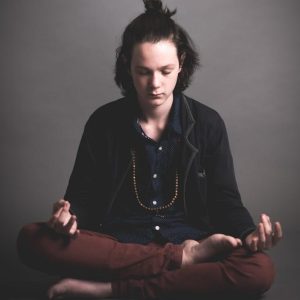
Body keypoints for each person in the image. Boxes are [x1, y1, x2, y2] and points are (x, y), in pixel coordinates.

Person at [17, 0, 283, 299]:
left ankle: (112, 290)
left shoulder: (208, 123)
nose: (155, 84)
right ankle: (181, 263)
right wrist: (67, 218)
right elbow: (82, 199)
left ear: (181, 63)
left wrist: (249, 233)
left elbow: (225, 200)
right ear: (128, 67)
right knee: (32, 239)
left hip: (188, 237)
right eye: (143, 71)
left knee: (259, 269)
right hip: (120, 245)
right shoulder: (103, 122)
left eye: (165, 70)